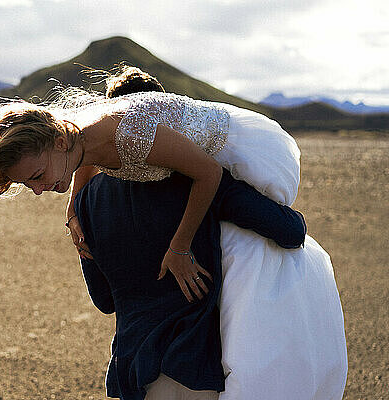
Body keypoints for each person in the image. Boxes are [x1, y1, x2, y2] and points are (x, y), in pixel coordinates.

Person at [0, 65, 300, 302]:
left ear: (56, 142)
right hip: (181, 154)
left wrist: (179, 248)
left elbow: (209, 173)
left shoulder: (126, 131)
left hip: (238, 146)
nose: (38, 189)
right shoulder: (76, 141)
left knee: (251, 224)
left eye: (35, 177)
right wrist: (74, 210)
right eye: (27, 185)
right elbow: (90, 160)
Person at [70, 67, 346, 400]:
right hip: (192, 370)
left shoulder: (85, 202)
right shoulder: (198, 179)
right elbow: (289, 231)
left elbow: (104, 300)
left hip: (132, 376)